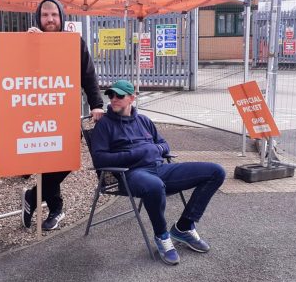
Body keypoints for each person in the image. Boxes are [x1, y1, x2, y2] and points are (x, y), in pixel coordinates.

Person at [90, 80, 226, 266]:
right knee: (154, 186)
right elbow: (100, 160)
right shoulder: (104, 125)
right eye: (111, 95)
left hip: (159, 169)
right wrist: (137, 153)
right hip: (130, 174)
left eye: (119, 96)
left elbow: (164, 145)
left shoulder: (144, 120)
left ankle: (183, 227)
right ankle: (162, 235)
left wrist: (155, 150)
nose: (113, 99)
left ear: (131, 98)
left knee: (216, 172)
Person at [22, 0, 104, 231]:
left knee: (64, 159)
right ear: (39, 17)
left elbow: (88, 76)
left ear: (62, 18)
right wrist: (27, 45)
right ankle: (56, 209)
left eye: (54, 15)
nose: (49, 19)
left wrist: (96, 104)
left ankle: (33, 197)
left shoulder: (74, 43)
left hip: (64, 113)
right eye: (45, 15)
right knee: (48, 161)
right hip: (36, 113)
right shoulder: (29, 40)